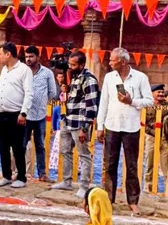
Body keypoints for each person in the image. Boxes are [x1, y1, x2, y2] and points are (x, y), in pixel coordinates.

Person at [96, 48, 152, 214]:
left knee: (132, 166)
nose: (110, 62)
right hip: (112, 125)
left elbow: (149, 101)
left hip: (131, 127)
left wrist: (132, 101)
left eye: (113, 60)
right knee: (109, 165)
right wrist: (100, 126)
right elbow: (104, 102)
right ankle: (108, 200)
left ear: (123, 61)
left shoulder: (140, 78)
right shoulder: (109, 77)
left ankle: (133, 201)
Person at [52, 52, 99, 198]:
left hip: (80, 122)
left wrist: (85, 127)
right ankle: (67, 181)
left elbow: (91, 106)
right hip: (68, 119)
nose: (70, 67)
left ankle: (84, 185)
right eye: (70, 64)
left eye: (73, 65)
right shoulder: (74, 77)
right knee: (65, 151)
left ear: (82, 65)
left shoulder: (89, 80)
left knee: (84, 154)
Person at [0, 42, 33, 188]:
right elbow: (1, 90)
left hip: (16, 114)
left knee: (17, 147)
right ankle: (6, 175)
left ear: (8, 54)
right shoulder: (4, 70)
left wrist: (24, 113)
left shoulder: (24, 70)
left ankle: (21, 177)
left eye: (1, 53)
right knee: (2, 146)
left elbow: (29, 93)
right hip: (1, 113)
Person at [23, 46, 58, 182]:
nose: (28, 59)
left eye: (31, 56)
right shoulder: (22, 72)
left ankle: (42, 174)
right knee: (21, 144)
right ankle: (19, 172)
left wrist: (41, 100)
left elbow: (53, 93)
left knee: (40, 145)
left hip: (40, 115)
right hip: (24, 114)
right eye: (26, 57)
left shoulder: (47, 73)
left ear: (38, 57)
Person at [144, 84, 168, 192]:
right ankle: (148, 187)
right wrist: (153, 130)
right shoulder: (147, 105)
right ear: (152, 93)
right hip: (151, 137)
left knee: (166, 165)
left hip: (165, 139)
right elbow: (142, 123)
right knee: (149, 163)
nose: (161, 94)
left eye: (162, 92)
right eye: (158, 92)